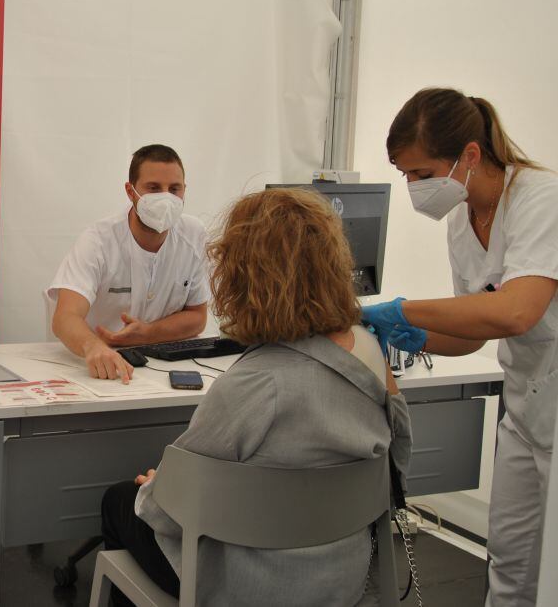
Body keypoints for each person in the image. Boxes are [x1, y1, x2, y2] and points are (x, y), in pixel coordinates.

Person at [100, 188, 412, 606]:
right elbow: (397, 466)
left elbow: (169, 511)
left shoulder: (255, 384)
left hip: (246, 586)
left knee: (121, 500)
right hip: (344, 579)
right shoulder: (373, 355)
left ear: (244, 276)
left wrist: (160, 487)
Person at [363, 88, 558, 607]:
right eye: (405, 175)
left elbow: (515, 312)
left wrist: (405, 310)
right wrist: (414, 336)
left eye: (422, 173)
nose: (413, 188)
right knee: (510, 565)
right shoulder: (462, 218)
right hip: (527, 413)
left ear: (470, 154)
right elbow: (475, 331)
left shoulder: (541, 199)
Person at [47, 144, 210, 383]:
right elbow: (64, 317)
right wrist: (93, 347)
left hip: (159, 366)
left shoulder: (194, 234)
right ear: (130, 191)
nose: (166, 198)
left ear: (185, 190)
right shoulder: (98, 241)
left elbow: (197, 317)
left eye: (174, 189)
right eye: (153, 188)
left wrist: (149, 333)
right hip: (96, 368)